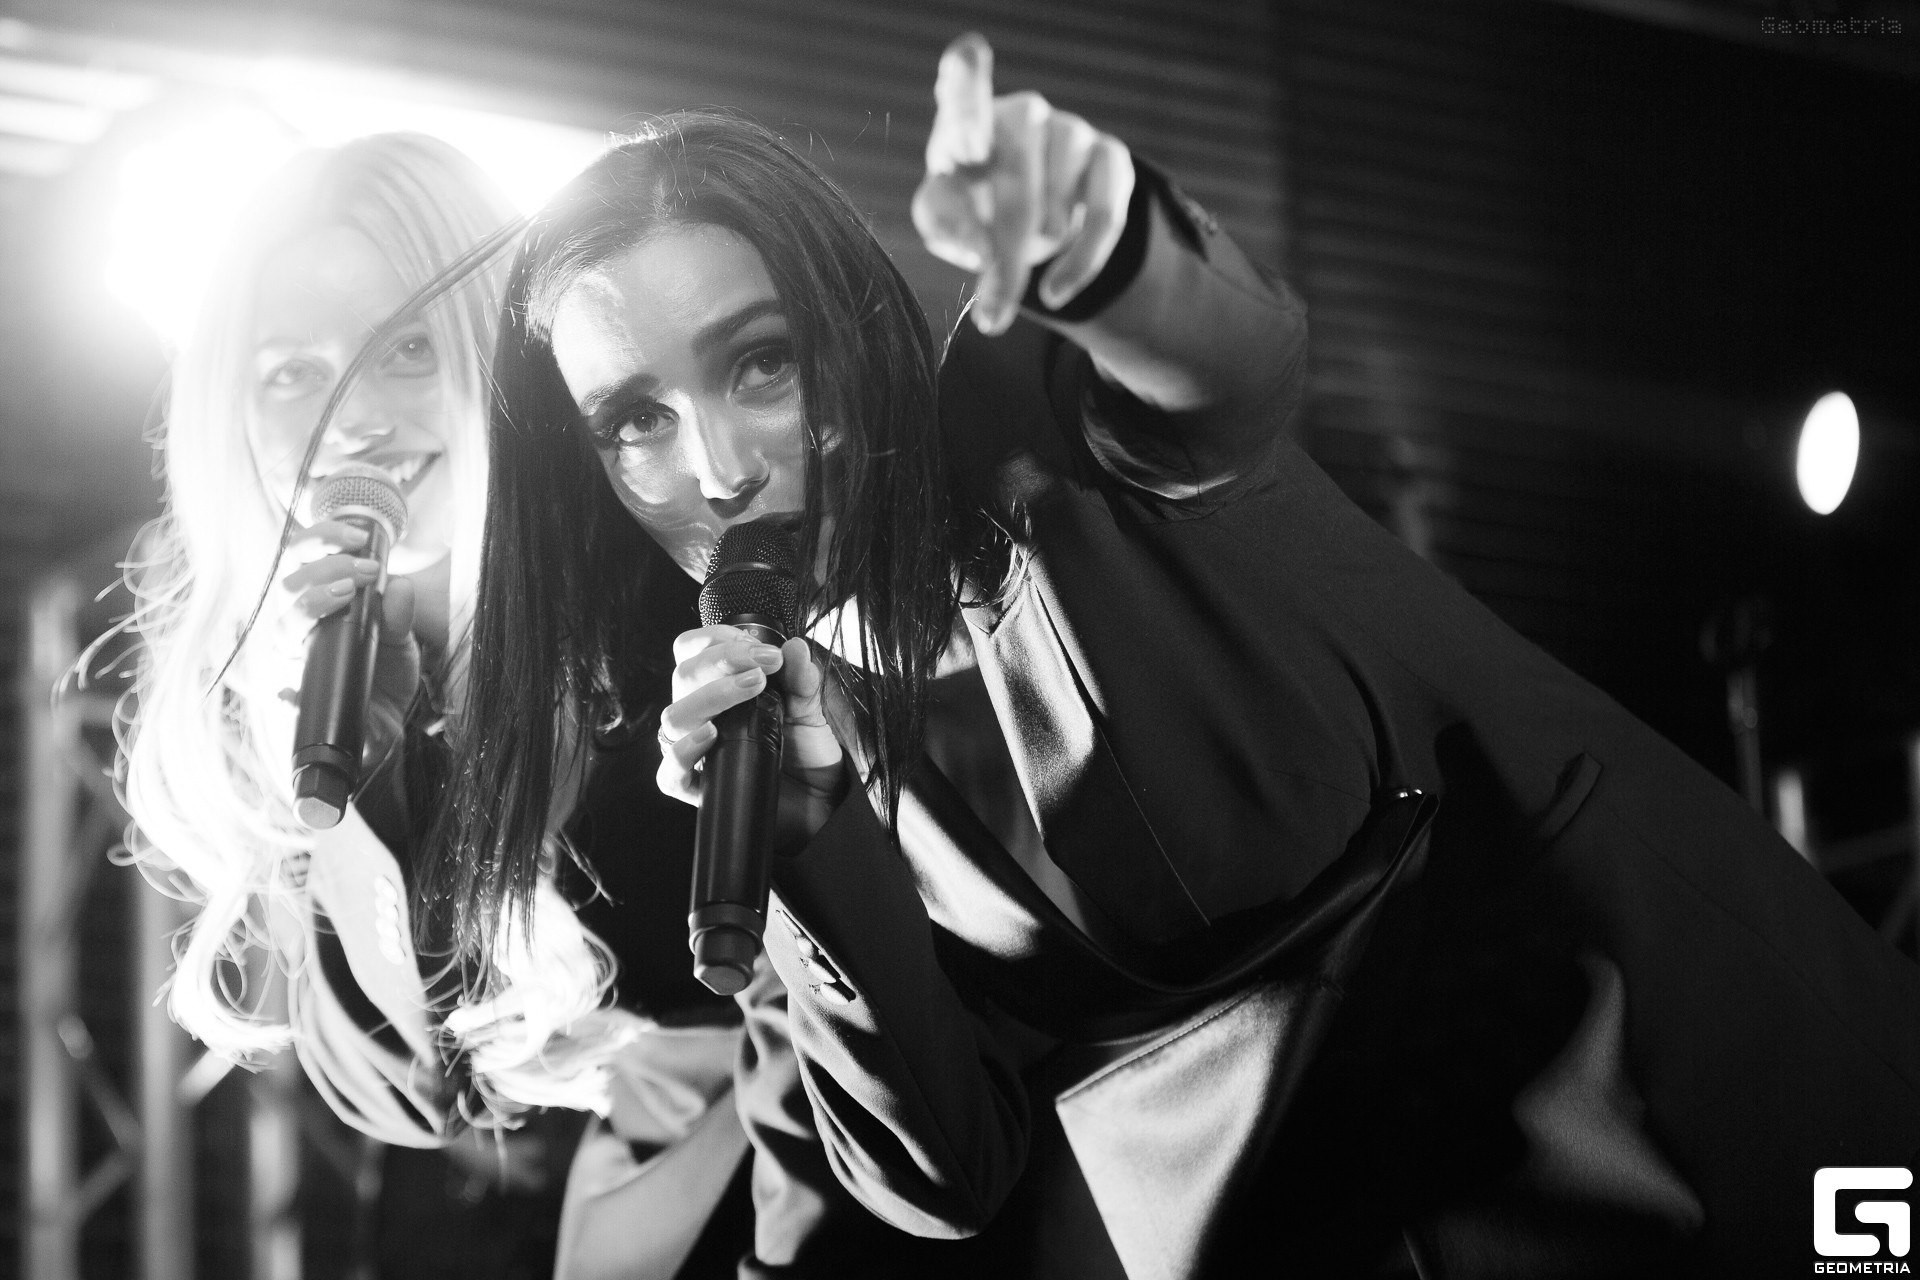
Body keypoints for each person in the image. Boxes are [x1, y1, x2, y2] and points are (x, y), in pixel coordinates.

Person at [453, 35, 1920, 1279]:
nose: (715, 468)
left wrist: (1107, 251)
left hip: (1665, 1082)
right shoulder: (779, 760)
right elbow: (941, 1176)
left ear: (846, 331)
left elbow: (1234, 364)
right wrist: (805, 849)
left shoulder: (1032, 421)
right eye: (635, 421)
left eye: (760, 363)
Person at [112, 131, 896, 1278]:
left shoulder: (671, 624)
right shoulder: (334, 681)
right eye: (290, 373)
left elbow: (830, 1028)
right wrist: (365, 796)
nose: (352, 418)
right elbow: (406, 1082)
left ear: (497, 354)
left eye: (407, 349)